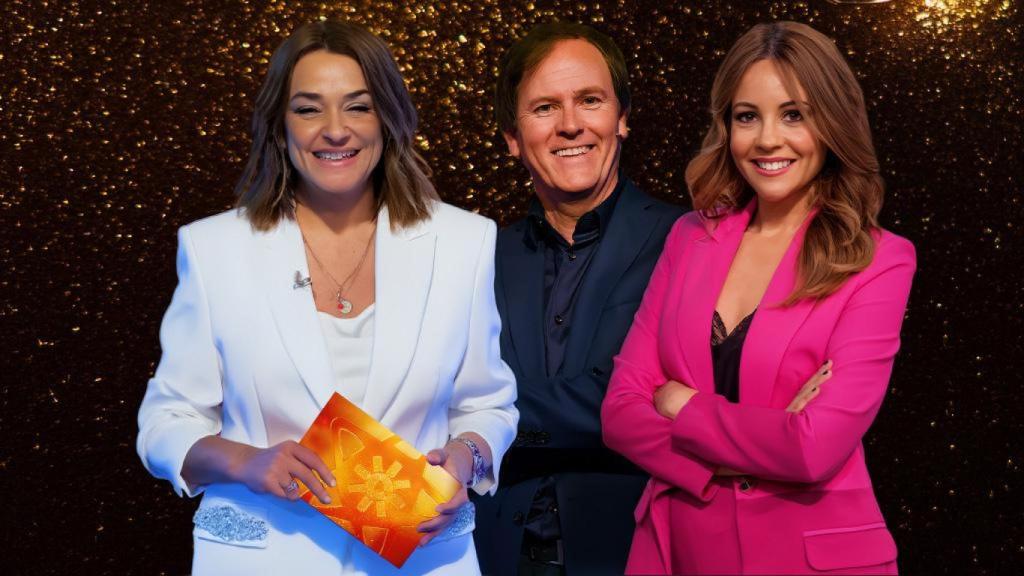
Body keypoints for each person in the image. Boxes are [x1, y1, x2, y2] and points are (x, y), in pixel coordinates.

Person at [136, 20, 518, 576]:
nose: (334, 130)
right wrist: (248, 462)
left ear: (387, 118)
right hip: (261, 558)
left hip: (423, 558)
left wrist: (465, 460)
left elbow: (488, 404)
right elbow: (167, 421)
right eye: (309, 108)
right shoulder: (214, 247)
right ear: (279, 125)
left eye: (358, 107)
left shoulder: (465, 241)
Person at [601, 21, 915, 574]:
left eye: (794, 114)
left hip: (810, 555)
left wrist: (682, 405)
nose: (768, 139)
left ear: (833, 123)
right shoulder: (690, 237)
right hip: (680, 550)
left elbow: (813, 449)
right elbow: (621, 414)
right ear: (727, 128)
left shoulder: (878, 259)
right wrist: (747, 450)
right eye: (748, 116)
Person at [472, 22, 685, 576]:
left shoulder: (686, 241)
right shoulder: (475, 258)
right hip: (493, 555)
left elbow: (643, 393)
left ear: (621, 118)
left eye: (590, 100)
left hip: (635, 550)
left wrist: (478, 415)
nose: (571, 124)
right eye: (544, 107)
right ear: (512, 137)